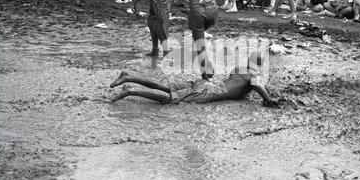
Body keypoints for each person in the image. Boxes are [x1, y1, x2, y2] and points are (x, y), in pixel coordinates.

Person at [166, 0, 253, 80]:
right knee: (201, 38)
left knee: (199, 45)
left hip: (197, 9)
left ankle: (206, 77)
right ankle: (207, 62)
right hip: (212, 10)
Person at [109, 51, 279, 107]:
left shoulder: (238, 68)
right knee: (170, 99)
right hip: (211, 91)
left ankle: (129, 77)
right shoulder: (254, 76)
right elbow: (266, 96)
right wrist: (271, 101)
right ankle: (131, 90)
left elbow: (235, 84)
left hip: (206, 84)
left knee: (165, 86)